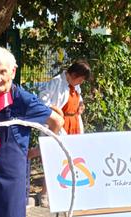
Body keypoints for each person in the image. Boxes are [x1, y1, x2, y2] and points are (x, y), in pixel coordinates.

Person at [0, 47, 63, 217]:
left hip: (12, 180)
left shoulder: (23, 100)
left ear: (13, 72)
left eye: (2, 72)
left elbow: (57, 121)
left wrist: (38, 150)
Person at [34, 60, 92, 205]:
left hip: (74, 125)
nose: (81, 82)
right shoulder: (55, 83)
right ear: (74, 74)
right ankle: (44, 193)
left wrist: (81, 105)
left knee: (73, 160)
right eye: (81, 79)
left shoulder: (76, 85)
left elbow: (78, 100)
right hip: (59, 125)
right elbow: (42, 102)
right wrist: (57, 110)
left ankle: (68, 192)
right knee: (53, 158)